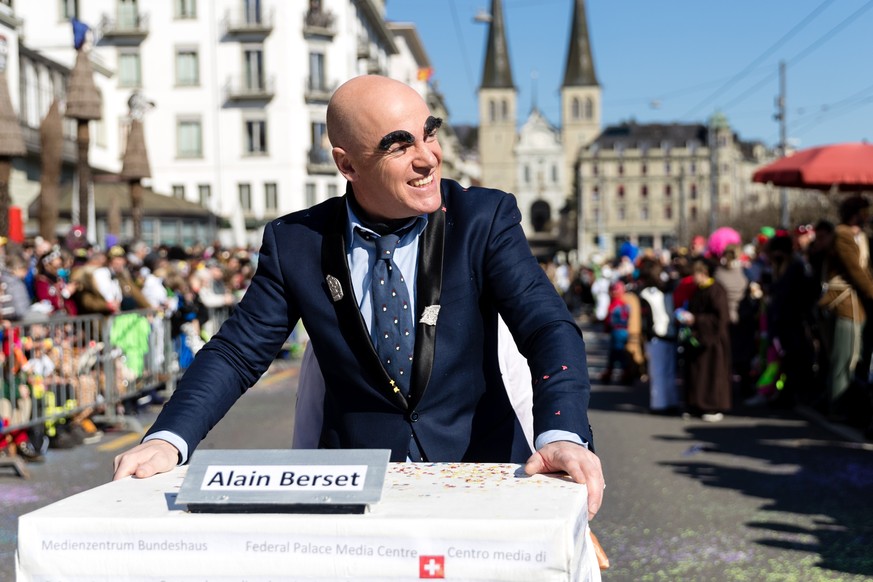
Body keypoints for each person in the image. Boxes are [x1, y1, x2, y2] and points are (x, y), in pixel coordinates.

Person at [112, 75, 604, 518]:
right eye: (398, 145)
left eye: (428, 132)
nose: (428, 156)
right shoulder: (296, 242)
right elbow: (238, 351)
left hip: (481, 480)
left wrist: (561, 435)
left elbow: (547, 327)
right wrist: (167, 440)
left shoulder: (484, 218)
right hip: (354, 495)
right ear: (347, 164)